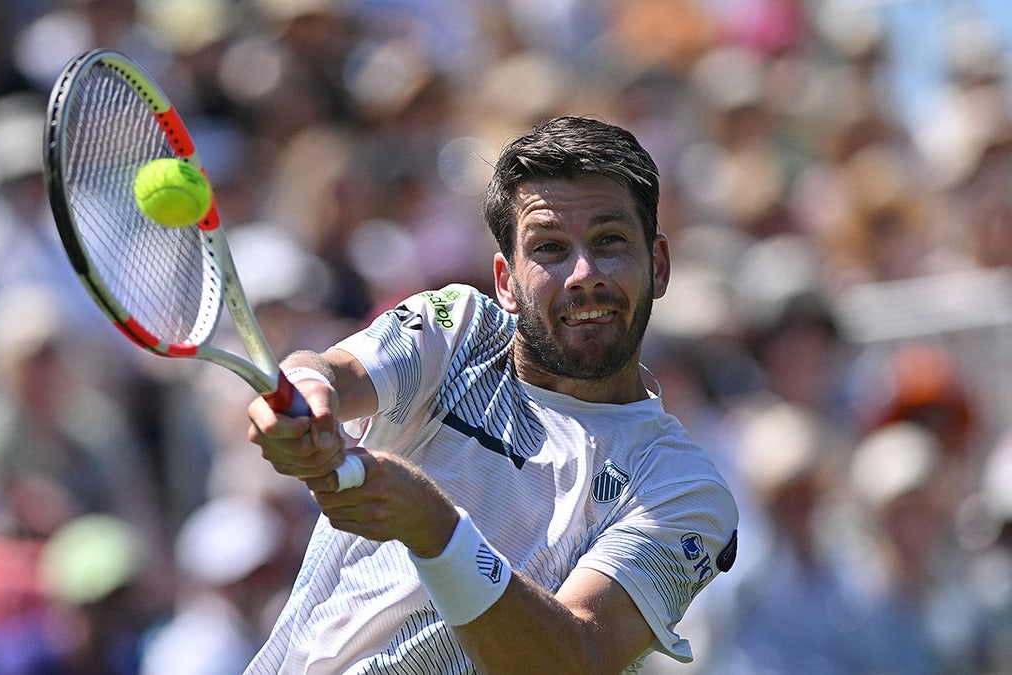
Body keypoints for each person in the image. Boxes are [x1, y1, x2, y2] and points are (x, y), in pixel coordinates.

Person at [245, 115, 739, 673]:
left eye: (610, 241)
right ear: (505, 281)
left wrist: (435, 528)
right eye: (550, 248)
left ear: (659, 265)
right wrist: (307, 393)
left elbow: (576, 660)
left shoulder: (683, 488)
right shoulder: (458, 330)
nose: (583, 273)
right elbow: (333, 373)